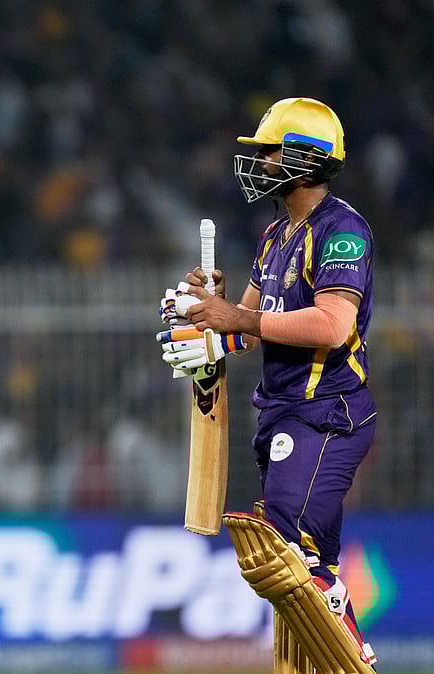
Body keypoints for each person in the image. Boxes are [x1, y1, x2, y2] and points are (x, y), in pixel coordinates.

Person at [159, 97, 377, 669]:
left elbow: (333, 325)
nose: (260, 163)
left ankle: (357, 659)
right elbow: (248, 332)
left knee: (285, 551)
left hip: (327, 415)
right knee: (306, 570)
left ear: (306, 160)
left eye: (272, 152)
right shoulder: (275, 234)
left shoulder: (342, 231)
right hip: (282, 414)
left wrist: (238, 319)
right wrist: (203, 321)